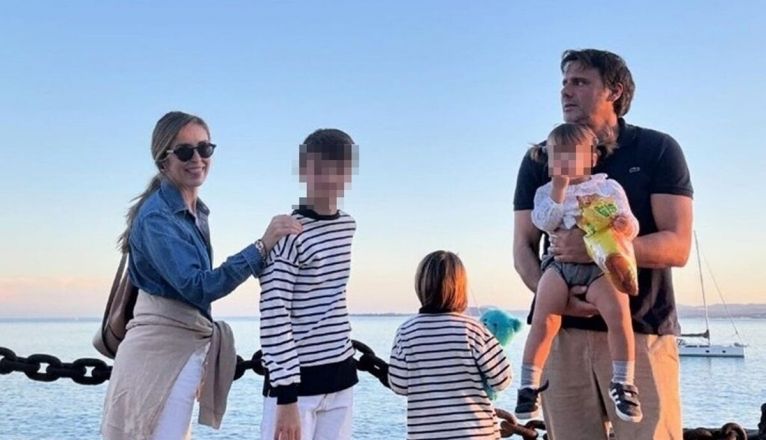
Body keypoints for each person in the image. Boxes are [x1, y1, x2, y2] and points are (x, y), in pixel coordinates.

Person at [512, 49, 693, 439]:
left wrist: (600, 249)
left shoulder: (658, 150)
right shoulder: (541, 158)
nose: (566, 91)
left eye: (580, 82)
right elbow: (523, 249)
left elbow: (677, 246)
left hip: (640, 332)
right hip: (561, 336)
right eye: (564, 82)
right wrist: (555, 297)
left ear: (615, 91)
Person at [101, 111, 302, 440]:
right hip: (158, 357)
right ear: (163, 159)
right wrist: (261, 247)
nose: (197, 159)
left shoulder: (197, 211)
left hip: (184, 349)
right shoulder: (157, 217)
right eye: (185, 151)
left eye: (204, 148)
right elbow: (198, 287)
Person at [514, 123, 642, 423]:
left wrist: (625, 226)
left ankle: (623, 382)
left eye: (573, 155)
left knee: (619, 313)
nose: (565, 162)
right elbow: (544, 222)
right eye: (558, 156)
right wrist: (558, 192)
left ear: (592, 158)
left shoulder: (608, 188)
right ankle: (528, 385)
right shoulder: (545, 192)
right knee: (545, 317)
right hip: (559, 265)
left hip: (599, 263)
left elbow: (630, 223)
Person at [258, 129, 359, 440]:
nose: (328, 178)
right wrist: (286, 395)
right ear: (303, 170)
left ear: (348, 172)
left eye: (338, 168)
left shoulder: (347, 226)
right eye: (319, 168)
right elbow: (274, 314)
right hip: (296, 390)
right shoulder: (289, 235)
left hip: (341, 379)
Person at [388, 250, 513, 440]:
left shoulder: (406, 332)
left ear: (420, 286)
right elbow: (502, 379)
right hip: (476, 434)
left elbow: (399, 384)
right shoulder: (473, 330)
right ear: (461, 288)